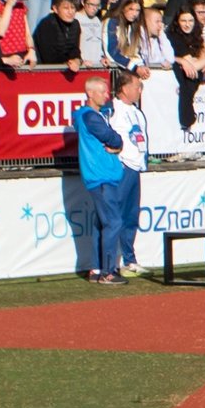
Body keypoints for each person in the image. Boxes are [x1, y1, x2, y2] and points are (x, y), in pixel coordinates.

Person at [75, 74, 128, 285]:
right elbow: (112, 137)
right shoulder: (90, 117)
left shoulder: (93, 115)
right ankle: (107, 271)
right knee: (113, 222)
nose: (107, 95)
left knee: (102, 223)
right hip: (102, 176)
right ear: (90, 93)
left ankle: (97, 269)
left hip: (101, 176)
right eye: (103, 91)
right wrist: (118, 143)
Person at [106, 70, 149, 275]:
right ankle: (111, 262)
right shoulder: (114, 109)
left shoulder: (137, 111)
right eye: (136, 86)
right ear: (124, 88)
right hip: (123, 167)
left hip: (136, 166)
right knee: (118, 216)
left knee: (131, 215)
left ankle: (130, 260)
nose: (140, 90)